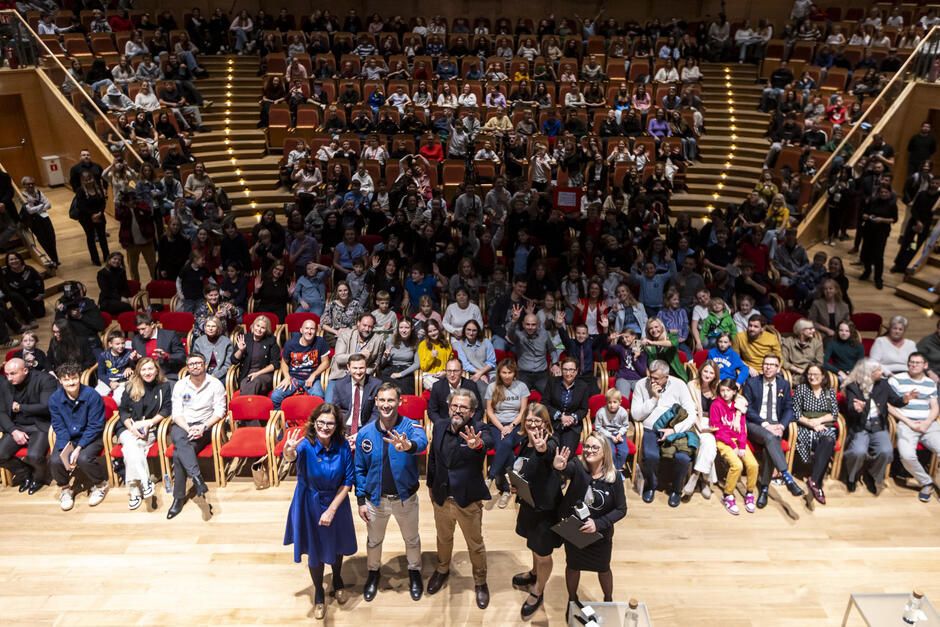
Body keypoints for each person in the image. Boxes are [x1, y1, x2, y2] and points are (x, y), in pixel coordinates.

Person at [354, 382, 428, 602]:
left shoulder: (411, 427)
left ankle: (414, 572)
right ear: (376, 402)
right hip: (375, 500)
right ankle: (373, 573)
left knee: (412, 539)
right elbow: (359, 468)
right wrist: (360, 500)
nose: (386, 405)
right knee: (374, 541)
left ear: (399, 401)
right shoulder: (365, 433)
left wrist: (409, 447)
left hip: (405, 499)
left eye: (390, 400)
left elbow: (422, 443)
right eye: (382, 400)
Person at [283, 404, 357, 620]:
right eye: (321, 422)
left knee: (337, 543)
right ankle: (318, 592)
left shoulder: (342, 445)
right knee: (314, 549)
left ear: (337, 425)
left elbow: (348, 480)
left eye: (330, 423)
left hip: (336, 501)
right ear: (314, 423)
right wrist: (289, 450)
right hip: (309, 503)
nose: (325, 426)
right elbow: (291, 457)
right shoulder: (305, 445)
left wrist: (332, 509)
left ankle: (337, 578)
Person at [425, 388, 493, 609]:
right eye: (454, 405)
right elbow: (433, 457)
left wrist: (478, 444)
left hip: (468, 500)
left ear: (472, 411)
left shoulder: (479, 429)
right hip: (442, 497)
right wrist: (430, 484)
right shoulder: (440, 425)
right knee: (443, 539)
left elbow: (489, 441)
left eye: (463, 407)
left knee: (475, 544)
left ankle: (480, 582)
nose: (458, 410)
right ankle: (442, 569)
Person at [553, 433, 627, 610]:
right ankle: (572, 600)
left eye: (595, 447)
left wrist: (598, 524)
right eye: (586, 446)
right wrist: (559, 467)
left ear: (605, 451)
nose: (589, 450)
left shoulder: (614, 477)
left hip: (600, 536)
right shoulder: (578, 466)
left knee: (603, 569)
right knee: (572, 566)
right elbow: (566, 468)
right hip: (575, 531)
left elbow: (621, 509)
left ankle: (608, 599)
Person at [510, 403, 562, 619]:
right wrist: (516, 484)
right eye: (529, 420)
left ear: (545, 422)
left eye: (537, 421)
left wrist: (541, 447)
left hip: (545, 508)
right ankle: (533, 574)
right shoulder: (524, 441)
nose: (532, 424)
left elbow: (547, 453)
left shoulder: (550, 442)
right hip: (529, 503)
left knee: (543, 554)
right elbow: (523, 468)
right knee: (533, 545)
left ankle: (538, 590)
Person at [167, 352, 227, 519]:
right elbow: (176, 413)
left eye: (198, 363)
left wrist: (203, 426)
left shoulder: (215, 384)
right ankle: (196, 478)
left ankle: (178, 499)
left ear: (205, 364)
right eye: (191, 363)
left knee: (179, 455)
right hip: (183, 425)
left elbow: (220, 411)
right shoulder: (180, 385)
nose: (195, 366)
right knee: (180, 442)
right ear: (187, 367)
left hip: (205, 425)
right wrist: (188, 428)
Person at [742, 353, 805, 508]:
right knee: (770, 438)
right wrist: (765, 424)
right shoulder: (752, 382)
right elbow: (747, 408)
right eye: (766, 364)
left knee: (769, 448)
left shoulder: (783, 384)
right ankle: (786, 476)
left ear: (778, 369)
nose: (768, 367)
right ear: (762, 366)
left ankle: (764, 488)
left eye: (772, 365)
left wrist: (782, 425)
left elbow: (788, 408)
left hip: (776, 426)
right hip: (756, 425)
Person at [631, 359, 697, 507]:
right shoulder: (641, 384)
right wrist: (654, 399)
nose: (651, 381)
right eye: (650, 376)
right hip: (650, 428)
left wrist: (674, 430)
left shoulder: (679, 385)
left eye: (656, 378)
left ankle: (676, 489)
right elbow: (635, 415)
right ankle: (651, 485)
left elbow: (692, 414)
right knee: (651, 456)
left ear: (666, 377)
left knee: (683, 458)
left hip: (674, 428)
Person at [842, 358, 911, 494]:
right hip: (860, 425)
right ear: (869, 373)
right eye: (878, 370)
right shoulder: (853, 387)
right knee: (858, 452)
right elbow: (850, 410)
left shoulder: (883, 384)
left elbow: (895, 400)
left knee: (886, 451)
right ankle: (852, 476)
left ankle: (872, 474)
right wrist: (857, 409)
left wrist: (905, 399)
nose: (882, 372)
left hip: (878, 424)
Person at [49, 362, 108, 511]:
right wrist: (66, 450)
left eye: (74, 378)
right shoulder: (55, 399)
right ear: (61, 381)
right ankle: (65, 488)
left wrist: (79, 448)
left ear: (79, 377)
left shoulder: (92, 395)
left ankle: (100, 484)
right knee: (55, 460)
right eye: (66, 380)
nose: (71, 382)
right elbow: (58, 426)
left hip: (91, 436)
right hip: (69, 438)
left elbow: (95, 426)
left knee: (83, 458)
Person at [117, 357, 172, 510]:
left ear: (156, 370)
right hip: (128, 427)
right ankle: (145, 482)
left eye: (150, 369)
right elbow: (122, 411)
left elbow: (167, 409)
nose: (147, 372)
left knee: (130, 448)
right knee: (131, 443)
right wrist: (131, 427)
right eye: (143, 369)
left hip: (150, 427)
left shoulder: (164, 386)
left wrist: (149, 423)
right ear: (139, 371)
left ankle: (134, 490)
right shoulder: (130, 385)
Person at [0, 358, 57, 494]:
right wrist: (13, 431)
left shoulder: (44, 379)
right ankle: (25, 474)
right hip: (17, 426)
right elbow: (1, 411)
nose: (9, 378)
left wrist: (20, 407)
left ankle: (39, 478)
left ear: (25, 370)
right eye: (6, 374)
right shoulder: (5, 384)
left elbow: (46, 407)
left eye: (13, 374)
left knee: (34, 456)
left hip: (40, 425)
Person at [888, 353, 940, 502]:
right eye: (911, 362)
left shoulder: (930, 383)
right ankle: (926, 482)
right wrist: (908, 421)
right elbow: (888, 405)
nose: (913, 365)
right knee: (907, 456)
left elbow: (935, 406)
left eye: (917, 363)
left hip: (928, 424)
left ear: (925, 365)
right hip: (906, 423)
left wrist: (927, 422)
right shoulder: (896, 380)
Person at [484, 359, 530, 508]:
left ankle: (491, 476)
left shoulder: (521, 386)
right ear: (499, 373)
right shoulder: (492, 387)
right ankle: (507, 490)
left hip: (517, 425)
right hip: (497, 425)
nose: (507, 375)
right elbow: (490, 412)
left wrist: (511, 426)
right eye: (504, 372)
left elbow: (523, 411)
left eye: (510, 372)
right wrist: (502, 427)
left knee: (505, 443)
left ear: (514, 372)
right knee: (506, 447)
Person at [791, 364, 839, 505]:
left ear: (823, 376)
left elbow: (834, 415)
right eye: (810, 374)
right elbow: (796, 413)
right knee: (825, 445)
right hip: (806, 426)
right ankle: (817, 485)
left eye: (816, 375)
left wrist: (819, 421)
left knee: (829, 440)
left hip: (824, 426)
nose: (812, 377)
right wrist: (811, 423)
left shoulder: (829, 391)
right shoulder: (801, 390)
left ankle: (814, 480)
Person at [710, 378, 759, 515]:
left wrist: (742, 446)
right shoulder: (716, 405)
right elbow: (717, 430)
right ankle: (728, 494)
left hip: (738, 441)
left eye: (728, 391)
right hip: (723, 441)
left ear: (734, 391)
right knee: (737, 465)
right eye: (722, 390)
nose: (725, 394)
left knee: (753, 465)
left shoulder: (739, 407)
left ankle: (749, 493)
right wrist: (733, 445)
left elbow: (742, 430)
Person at [271, 319, 331, 408]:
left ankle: (312, 421)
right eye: (306, 328)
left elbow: (326, 362)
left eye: (312, 329)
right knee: (275, 397)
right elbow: (284, 362)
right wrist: (287, 377)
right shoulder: (291, 344)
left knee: (319, 399)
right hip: (294, 377)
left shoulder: (320, 342)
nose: (309, 331)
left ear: (316, 330)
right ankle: (282, 420)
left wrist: (313, 375)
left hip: (311, 378)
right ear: (301, 330)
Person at [683, 360, 720, 499]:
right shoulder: (692, 385)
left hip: (712, 422)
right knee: (709, 444)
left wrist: (738, 414)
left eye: (711, 372)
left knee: (708, 443)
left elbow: (738, 398)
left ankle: (695, 475)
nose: (708, 375)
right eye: (706, 371)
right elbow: (691, 410)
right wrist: (701, 428)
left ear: (715, 375)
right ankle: (705, 482)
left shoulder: (718, 386)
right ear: (701, 371)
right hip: (695, 420)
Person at [327, 313, 383, 401]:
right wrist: (359, 354)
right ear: (358, 323)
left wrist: (363, 372)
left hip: (362, 378)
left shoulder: (378, 340)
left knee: (363, 407)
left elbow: (376, 364)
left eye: (370, 327)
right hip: (340, 375)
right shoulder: (345, 335)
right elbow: (339, 359)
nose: (367, 329)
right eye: (364, 325)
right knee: (329, 405)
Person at [508, 307, 561, 396]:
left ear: (538, 325)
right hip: (524, 374)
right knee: (517, 395)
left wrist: (555, 364)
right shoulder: (519, 335)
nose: (530, 327)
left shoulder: (544, 334)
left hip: (542, 375)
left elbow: (552, 350)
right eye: (527, 324)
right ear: (523, 324)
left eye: (533, 325)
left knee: (551, 395)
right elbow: (510, 334)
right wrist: (514, 321)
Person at [543, 357, 590, 451]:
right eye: (565, 369)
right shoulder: (552, 382)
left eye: (571, 370)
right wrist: (560, 416)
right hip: (553, 424)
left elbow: (583, 409)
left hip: (572, 427)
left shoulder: (583, 386)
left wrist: (573, 418)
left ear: (576, 371)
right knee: (550, 450)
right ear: (561, 370)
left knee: (566, 453)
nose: (568, 373)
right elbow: (544, 403)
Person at [332, 353, 382, 437]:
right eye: (355, 368)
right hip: (344, 426)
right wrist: (340, 429)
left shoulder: (376, 384)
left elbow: (376, 413)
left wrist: (363, 432)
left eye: (361, 368)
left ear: (366, 367)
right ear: (348, 367)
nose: (358, 372)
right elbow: (335, 410)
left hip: (366, 426)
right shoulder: (340, 384)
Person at [232, 316, 280, 396]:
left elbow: (275, 364)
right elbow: (234, 360)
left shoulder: (271, 340)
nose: (259, 329)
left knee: (254, 382)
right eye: (257, 326)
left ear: (266, 330)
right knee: (246, 382)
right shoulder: (245, 338)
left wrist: (257, 373)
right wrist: (240, 350)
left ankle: (244, 405)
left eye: (263, 328)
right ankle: (250, 406)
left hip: (265, 374)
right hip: (247, 373)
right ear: (253, 326)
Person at [427, 357, 484, 424]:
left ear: (462, 372)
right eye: (449, 371)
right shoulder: (437, 386)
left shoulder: (471, 386)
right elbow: (432, 411)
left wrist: (471, 424)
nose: (452, 375)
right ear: (445, 371)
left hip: (466, 425)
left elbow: (479, 410)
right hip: (445, 425)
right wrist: (441, 424)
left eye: (455, 371)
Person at [130, 313, 186, 380]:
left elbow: (182, 357)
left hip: (166, 376)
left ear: (152, 325)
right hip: (145, 377)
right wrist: (135, 360)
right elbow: (134, 366)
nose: (141, 333)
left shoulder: (170, 335)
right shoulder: (136, 340)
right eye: (139, 330)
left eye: (143, 329)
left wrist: (167, 356)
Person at [73, 170, 109, 266]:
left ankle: (107, 256)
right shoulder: (80, 191)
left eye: (90, 179)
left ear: (93, 179)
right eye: (86, 180)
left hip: (100, 216)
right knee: (91, 238)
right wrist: (92, 215)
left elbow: (103, 202)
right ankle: (95, 259)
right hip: (86, 219)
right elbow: (81, 206)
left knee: (102, 237)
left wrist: (100, 213)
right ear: (82, 181)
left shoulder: (99, 189)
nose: (88, 181)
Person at [592, 388, 632, 472]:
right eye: (609, 402)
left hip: (619, 434)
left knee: (624, 451)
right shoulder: (601, 412)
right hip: (606, 434)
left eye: (615, 402)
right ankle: (611, 470)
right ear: (606, 402)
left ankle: (617, 470)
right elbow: (598, 427)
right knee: (611, 452)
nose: (612, 405)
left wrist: (619, 434)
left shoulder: (623, 412)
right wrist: (610, 436)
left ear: (620, 402)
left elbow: (625, 426)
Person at [380, 318, 419, 396]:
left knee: (405, 388)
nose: (403, 330)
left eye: (407, 328)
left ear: (412, 328)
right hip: (390, 368)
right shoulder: (390, 340)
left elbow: (417, 364)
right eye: (401, 327)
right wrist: (385, 357)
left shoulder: (416, 341)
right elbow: (381, 364)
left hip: (406, 370)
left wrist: (401, 374)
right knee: (387, 390)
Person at [95, 328, 133, 401]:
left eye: (123, 343)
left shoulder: (128, 353)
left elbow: (134, 366)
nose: (121, 346)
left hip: (122, 381)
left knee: (118, 399)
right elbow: (101, 374)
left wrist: (129, 367)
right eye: (117, 344)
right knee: (97, 396)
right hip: (107, 380)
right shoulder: (103, 355)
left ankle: (116, 412)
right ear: (110, 344)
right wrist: (110, 382)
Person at [191, 316, 233, 381]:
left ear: (218, 328)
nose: (210, 328)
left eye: (213, 326)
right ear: (204, 327)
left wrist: (215, 375)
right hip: (202, 372)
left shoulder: (226, 342)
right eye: (208, 326)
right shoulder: (199, 342)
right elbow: (195, 361)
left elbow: (227, 365)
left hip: (221, 374)